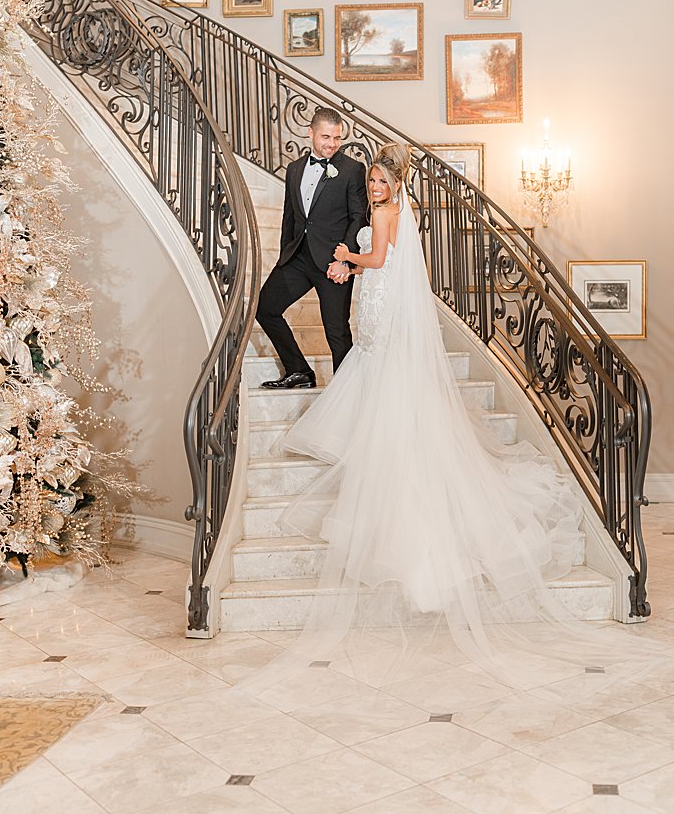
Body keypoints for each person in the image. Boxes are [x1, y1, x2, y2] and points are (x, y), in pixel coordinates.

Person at [242, 143, 642, 691]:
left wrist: (346, 257)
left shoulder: (384, 213)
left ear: (394, 182)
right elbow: (397, 264)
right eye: (374, 181)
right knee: (370, 369)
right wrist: (351, 263)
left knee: (370, 371)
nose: (375, 188)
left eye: (381, 181)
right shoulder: (400, 210)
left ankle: (383, 447)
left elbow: (379, 260)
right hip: (382, 306)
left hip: (379, 300)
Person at [255, 107, 368, 388]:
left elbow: (359, 217)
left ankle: (347, 391)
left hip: (333, 260)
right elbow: (290, 215)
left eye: (337, 138)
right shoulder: (294, 170)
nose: (332, 144)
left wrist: (345, 260)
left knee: (337, 332)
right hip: (298, 258)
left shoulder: (352, 170)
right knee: (265, 308)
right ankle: (299, 370)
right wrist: (284, 255)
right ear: (310, 133)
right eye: (326, 137)